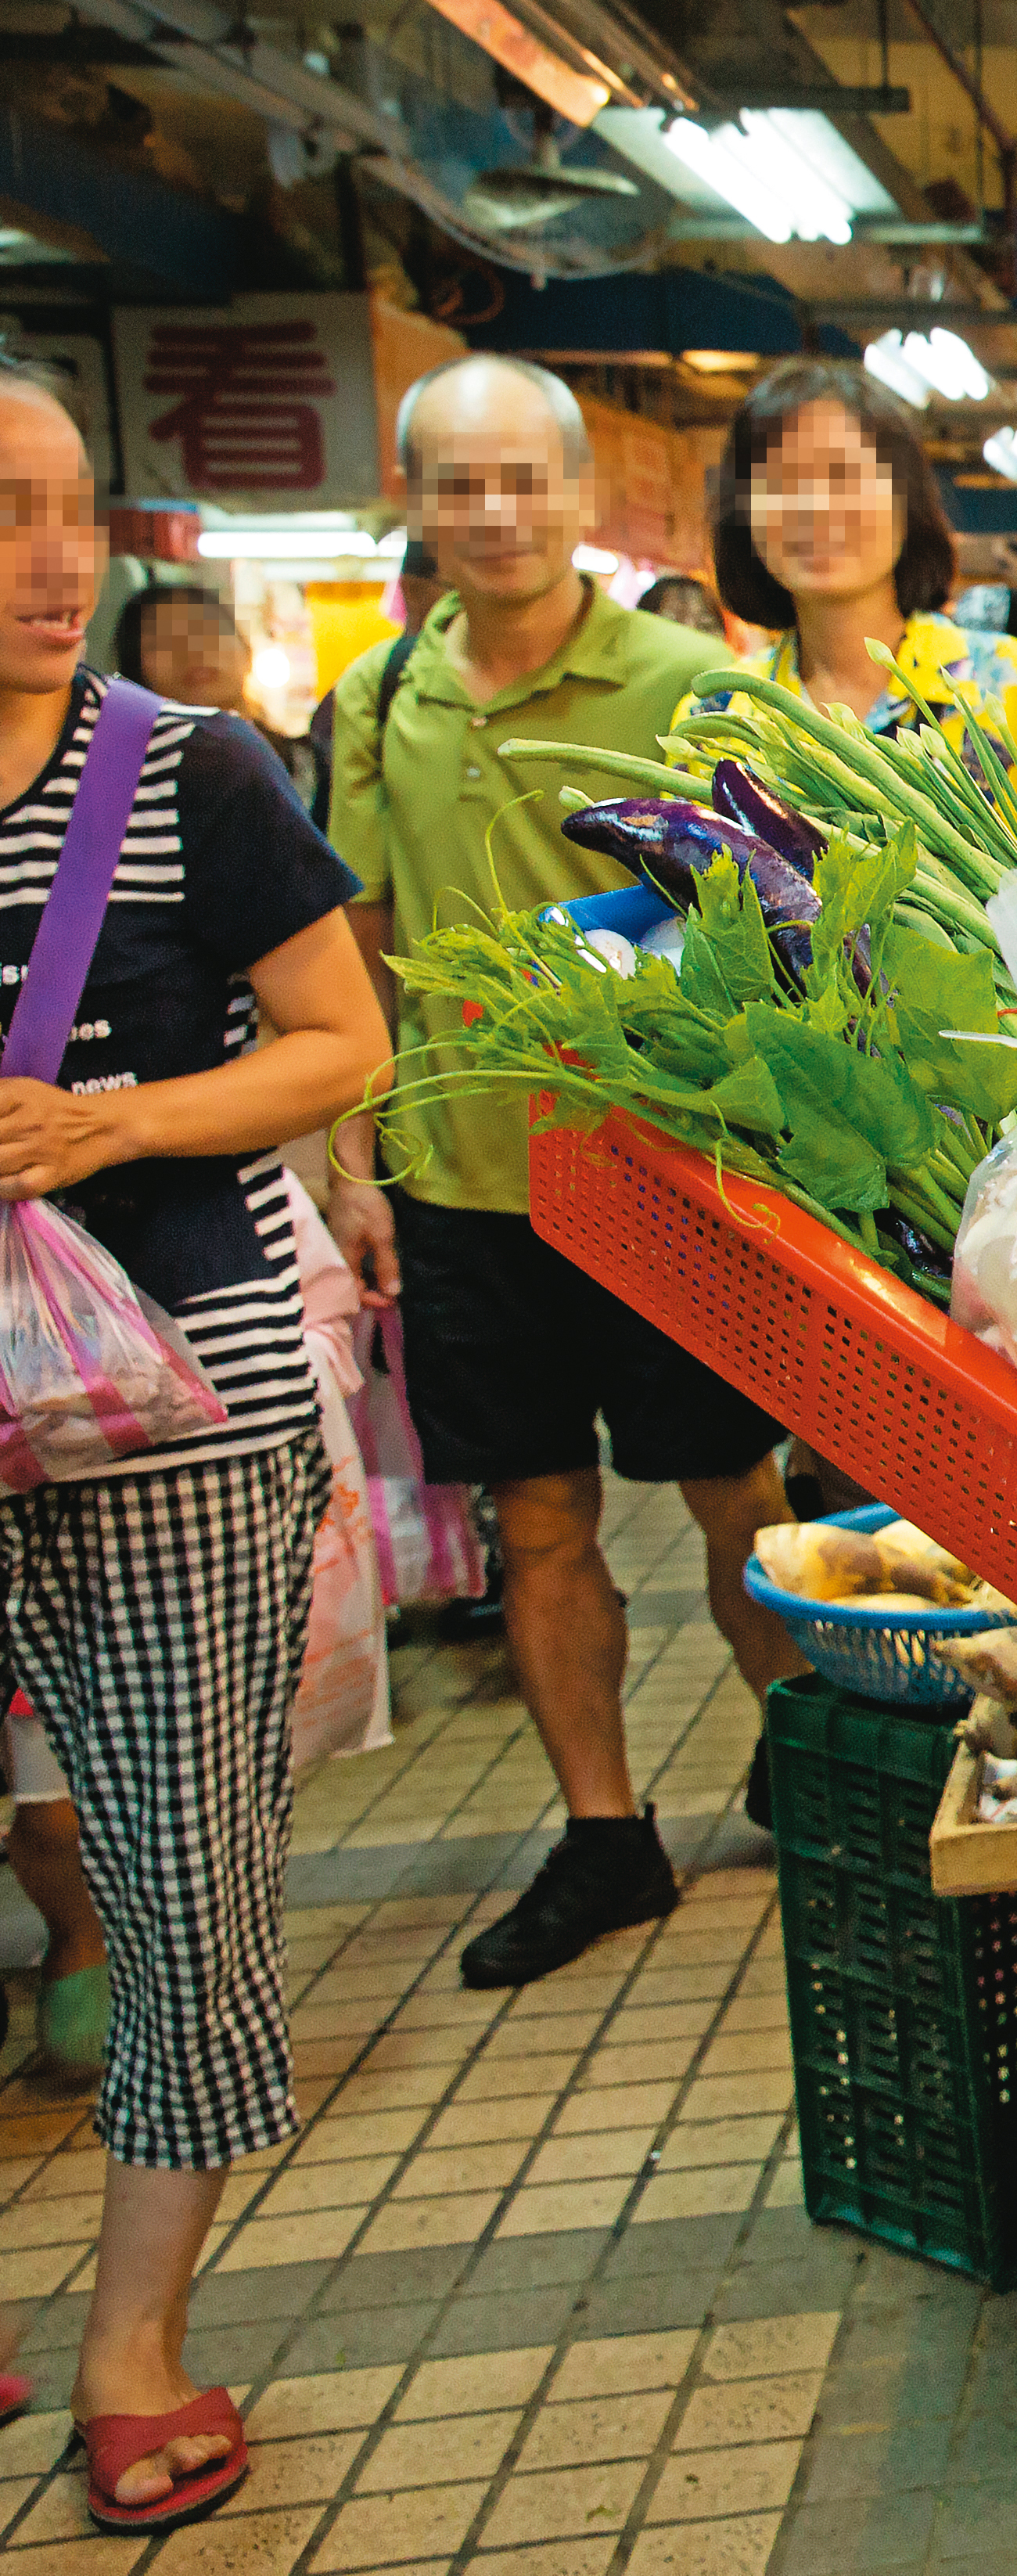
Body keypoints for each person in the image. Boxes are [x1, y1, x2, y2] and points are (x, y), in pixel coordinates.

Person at [0, 368, 392, 2532]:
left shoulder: (194, 776)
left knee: (184, 1882)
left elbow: (346, 1039)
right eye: (3, 516)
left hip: (180, 1401)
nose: (57, 560)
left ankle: (132, 2338)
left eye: (73, 513)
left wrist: (121, 1118)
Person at [318, 354, 797, 1992]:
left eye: (525, 480)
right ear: (417, 504)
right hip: (465, 1183)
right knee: (536, 1519)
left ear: (584, 499)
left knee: (736, 1489)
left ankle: (810, 1763)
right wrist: (361, 1162)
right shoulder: (382, 701)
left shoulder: (682, 678)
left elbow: (783, 909)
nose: (497, 512)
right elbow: (362, 948)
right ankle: (606, 1836)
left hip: (662, 1173)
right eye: (461, 483)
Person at [700, 357, 1017, 873]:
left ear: (906, 502)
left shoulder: (1014, 687)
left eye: (845, 476)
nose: (815, 506)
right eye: (780, 481)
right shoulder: (718, 717)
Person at [115, 581, 318, 807]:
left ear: (246, 651)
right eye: (164, 640)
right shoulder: (124, 784)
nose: (192, 650)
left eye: (207, 629)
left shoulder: (312, 764)